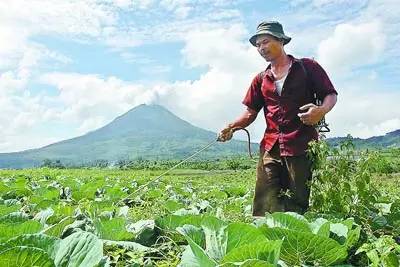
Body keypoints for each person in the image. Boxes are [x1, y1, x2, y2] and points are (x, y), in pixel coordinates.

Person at [218, 21, 337, 216]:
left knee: (296, 202)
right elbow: (250, 112)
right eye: (257, 45)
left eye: (265, 41)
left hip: (302, 145)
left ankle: (293, 241)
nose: (261, 48)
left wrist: (321, 110)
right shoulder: (261, 79)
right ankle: (263, 240)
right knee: (264, 201)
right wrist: (231, 126)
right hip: (271, 146)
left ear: (281, 41)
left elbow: (330, 94)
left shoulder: (308, 67)